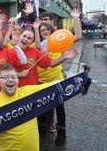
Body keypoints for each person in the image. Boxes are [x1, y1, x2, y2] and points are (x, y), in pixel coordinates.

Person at [35, 9, 82, 146]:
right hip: (41, 82)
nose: (44, 31)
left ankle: (61, 133)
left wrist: (76, 18)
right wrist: (35, 27)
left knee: (59, 107)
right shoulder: (38, 44)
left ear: (51, 30)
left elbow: (78, 35)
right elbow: (37, 43)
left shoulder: (58, 39)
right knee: (42, 107)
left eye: (46, 29)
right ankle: (42, 131)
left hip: (56, 80)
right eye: (41, 29)